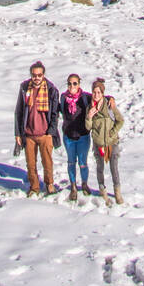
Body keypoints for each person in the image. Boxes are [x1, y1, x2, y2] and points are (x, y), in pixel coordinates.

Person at [14, 61, 60, 197]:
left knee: (47, 162)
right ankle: (34, 187)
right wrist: (18, 133)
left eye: (39, 75)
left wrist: (51, 132)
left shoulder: (51, 90)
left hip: (45, 133)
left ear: (43, 75)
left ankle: (49, 184)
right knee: (31, 163)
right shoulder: (24, 88)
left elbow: (55, 113)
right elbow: (19, 111)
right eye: (34, 75)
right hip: (29, 133)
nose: (37, 78)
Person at [85, 77, 125, 205]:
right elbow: (88, 127)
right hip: (99, 144)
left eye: (99, 92)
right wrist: (89, 117)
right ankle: (102, 190)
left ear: (102, 93)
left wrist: (112, 133)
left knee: (114, 168)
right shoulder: (90, 108)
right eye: (94, 92)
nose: (96, 95)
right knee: (100, 168)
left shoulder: (109, 106)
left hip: (112, 143)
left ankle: (117, 192)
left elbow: (120, 121)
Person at [59, 74, 92, 202]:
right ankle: (73, 186)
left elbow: (99, 98)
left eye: (75, 83)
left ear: (79, 84)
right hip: (68, 136)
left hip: (83, 135)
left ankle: (84, 183)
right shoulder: (63, 98)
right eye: (70, 83)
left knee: (83, 163)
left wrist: (110, 98)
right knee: (71, 162)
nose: (72, 86)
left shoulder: (85, 98)